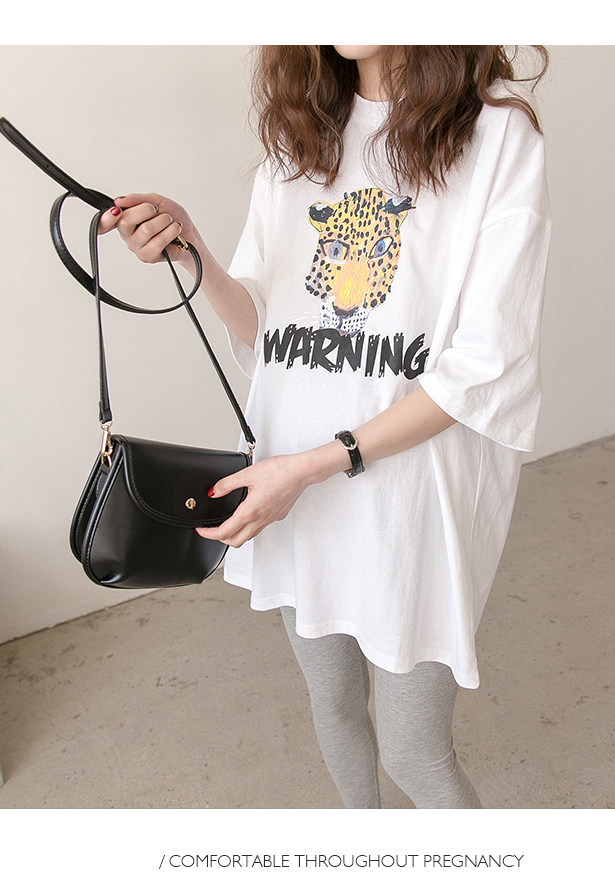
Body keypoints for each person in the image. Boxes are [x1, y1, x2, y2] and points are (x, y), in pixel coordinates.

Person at [98, 45, 552, 809]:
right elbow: (269, 332)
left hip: (406, 496)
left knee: (415, 753)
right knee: (333, 705)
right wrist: (192, 252)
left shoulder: (497, 136)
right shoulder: (302, 136)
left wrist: (311, 466)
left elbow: (484, 366)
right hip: (288, 485)